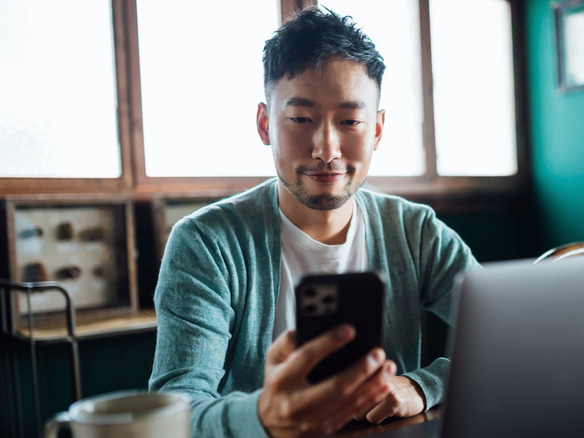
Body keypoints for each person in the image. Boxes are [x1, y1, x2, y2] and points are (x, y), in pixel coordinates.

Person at [148, 7, 479, 438]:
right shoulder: (205, 243)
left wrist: (423, 384)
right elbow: (177, 408)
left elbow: (507, 344)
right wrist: (265, 417)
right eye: (302, 119)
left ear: (377, 130)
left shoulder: (416, 231)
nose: (326, 149)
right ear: (266, 124)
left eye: (351, 121)